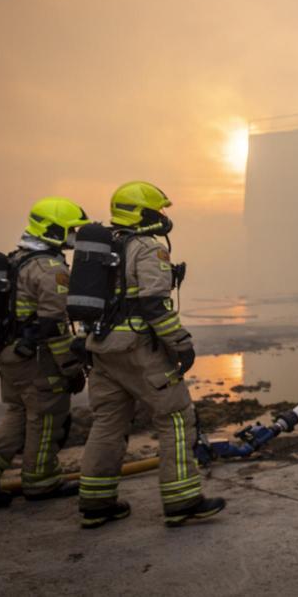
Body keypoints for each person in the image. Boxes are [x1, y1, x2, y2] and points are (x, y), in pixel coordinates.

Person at [76, 181, 225, 528]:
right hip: (137, 351)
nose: (162, 216)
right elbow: (154, 304)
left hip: (100, 350)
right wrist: (181, 343)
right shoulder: (147, 248)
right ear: (142, 212)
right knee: (175, 416)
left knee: (108, 423)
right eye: (158, 210)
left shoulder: (101, 248)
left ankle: (96, 504)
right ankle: (183, 500)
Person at [0, 197, 90, 506]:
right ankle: (41, 482)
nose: (74, 236)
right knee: (46, 417)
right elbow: (54, 325)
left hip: (11, 355)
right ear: (55, 230)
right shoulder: (49, 269)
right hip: (37, 360)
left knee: (18, 414)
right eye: (71, 229)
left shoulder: (17, 259)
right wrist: (71, 367)